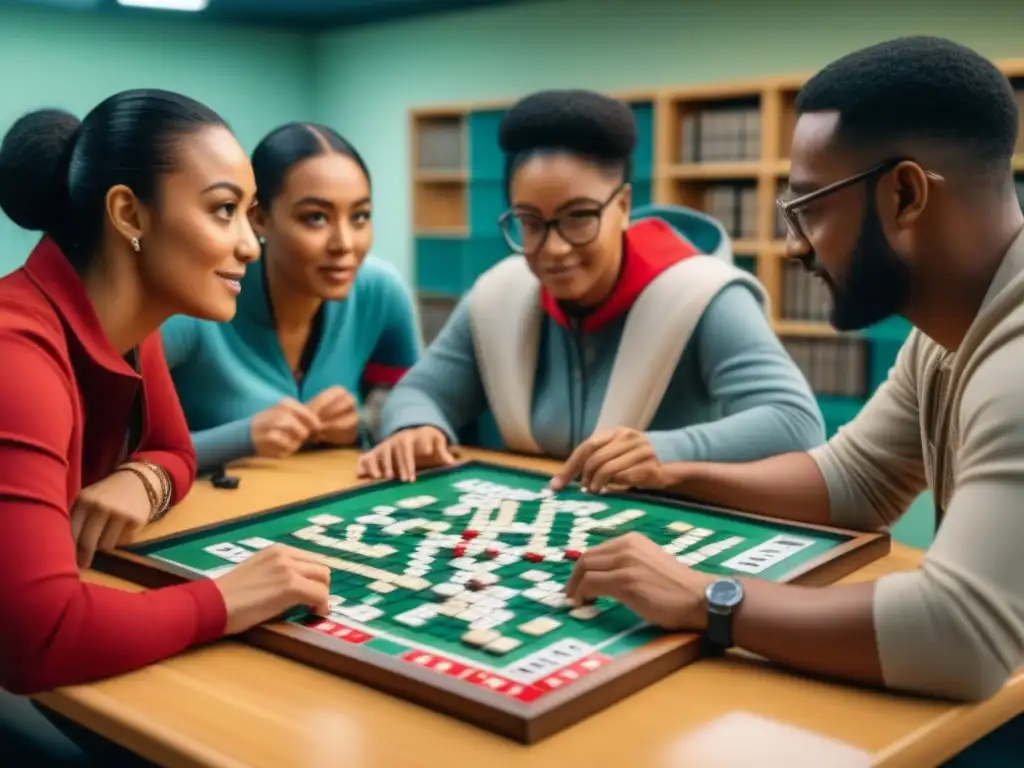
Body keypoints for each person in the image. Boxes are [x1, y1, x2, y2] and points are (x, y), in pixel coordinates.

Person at [560, 36, 1024, 714]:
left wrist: (708, 598)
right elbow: (853, 480)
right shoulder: (949, 333)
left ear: (905, 193)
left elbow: (958, 636)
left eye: (809, 207)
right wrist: (670, 472)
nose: (793, 245)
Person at [0, 91, 332, 761]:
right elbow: (39, 640)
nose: (250, 243)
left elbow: (173, 450)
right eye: (223, 210)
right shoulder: (16, 357)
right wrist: (226, 598)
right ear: (128, 214)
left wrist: (141, 480)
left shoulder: (125, 317)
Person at [359, 89, 825, 483]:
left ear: (622, 205)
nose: (555, 248)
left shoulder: (702, 296)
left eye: (579, 217)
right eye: (530, 222)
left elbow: (796, 423)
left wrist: (661, 451)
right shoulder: (498, 297)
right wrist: (415, 427)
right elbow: (421, 391)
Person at [162, 122, 419, 472]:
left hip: (326, 503)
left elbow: (407, 406)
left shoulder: (379, 289)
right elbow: (118, 452)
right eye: (315, 218)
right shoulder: (194, 301)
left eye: (360, 217)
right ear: (260, 218)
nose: (344, 243)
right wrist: (245, 436)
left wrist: (359, 424)